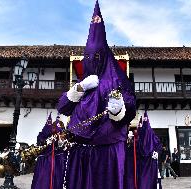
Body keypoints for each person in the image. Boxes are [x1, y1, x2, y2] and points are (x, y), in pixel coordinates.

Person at [56, 1, 136, 189]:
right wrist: (79, 88)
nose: (92, 61)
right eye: (88, 57)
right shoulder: (84, 82)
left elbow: (130, 106)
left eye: (97, 57)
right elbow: (63, 107)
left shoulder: (118, 80)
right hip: (79, 151)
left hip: (107, 152)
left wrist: (119, 112)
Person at [31, 113, 67, 189]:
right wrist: (47, 141)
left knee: (56, 180)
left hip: (57, 162)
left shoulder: (60, 136)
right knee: (43, 180)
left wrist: (61, 142)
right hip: (45, 161)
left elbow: (63, 147)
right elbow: (40, 142)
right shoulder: (42, 135)